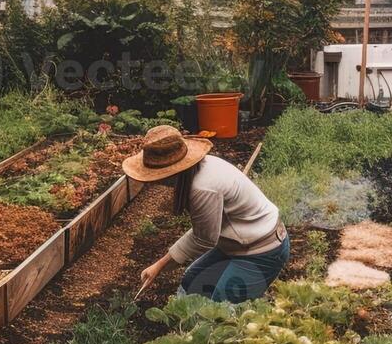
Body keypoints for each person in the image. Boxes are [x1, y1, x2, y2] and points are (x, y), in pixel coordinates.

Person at [124, 125, 290, 304]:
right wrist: (159, 266)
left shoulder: (202, 187)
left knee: (223, 308)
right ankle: (190, 329)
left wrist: (160, 265)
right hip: (236, 244)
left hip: (261, 250)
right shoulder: (201, 167)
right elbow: (203, 229)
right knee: (192, 283)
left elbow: (204, 239)